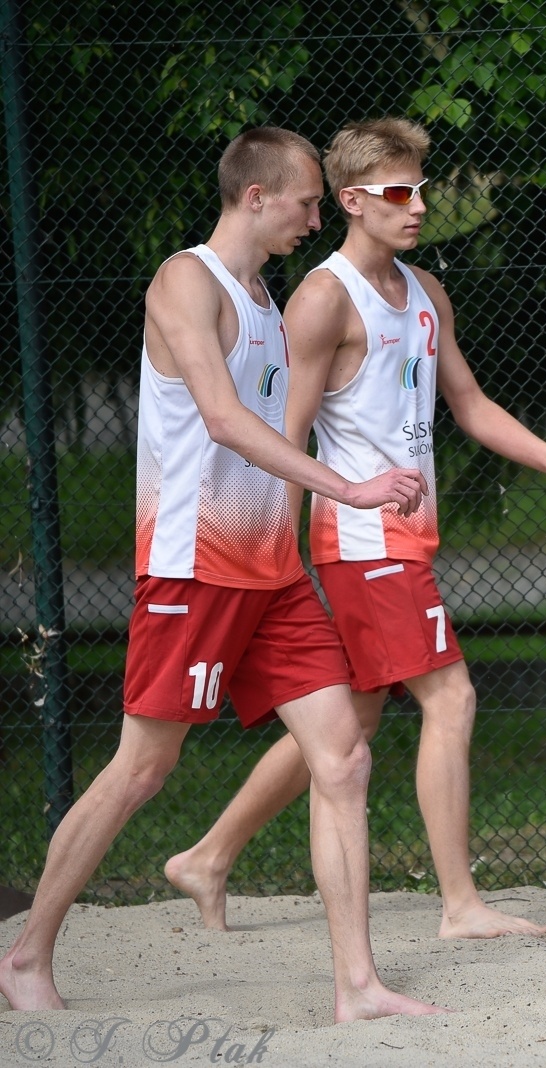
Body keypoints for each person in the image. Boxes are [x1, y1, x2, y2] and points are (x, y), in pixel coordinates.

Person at [0, 129, 444, 1020]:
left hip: (272, 573)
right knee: (143, 768)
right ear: (255, 196)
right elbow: (225, 420)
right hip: (193, 567)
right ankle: (25, 955)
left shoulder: (268, 299)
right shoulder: (186, 281)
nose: (315, 220)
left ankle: (357, 986)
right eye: (307, 203)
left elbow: (274, 429)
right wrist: (349, 488)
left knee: (344, 756)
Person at [165, 118, 546, 939]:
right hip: (362, 544)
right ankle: (460, 904)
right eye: (399, 193)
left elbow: (468, 404)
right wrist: (277, 555)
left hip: (401, 540)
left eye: (421, 190)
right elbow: (287, 436)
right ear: (351, 201)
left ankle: (208, 856)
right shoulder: (323, 298)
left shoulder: (426, 291)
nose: (418, 207)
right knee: (453, 697)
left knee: (353, 720)